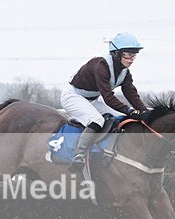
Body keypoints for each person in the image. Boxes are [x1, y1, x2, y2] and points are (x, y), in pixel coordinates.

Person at [61, 32, 149, 170]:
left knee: (120, 118)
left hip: (93, 99)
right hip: (73, 97)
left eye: (134, 55)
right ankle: (79, 155)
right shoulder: (100, 66)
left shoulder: (124, 72)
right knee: (97, 120)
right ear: (116, 53)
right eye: (128, 54)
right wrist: (130, 110)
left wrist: (144, 112)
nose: (132, 59)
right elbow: (108, 98)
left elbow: (131, 93)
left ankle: (106, 151)